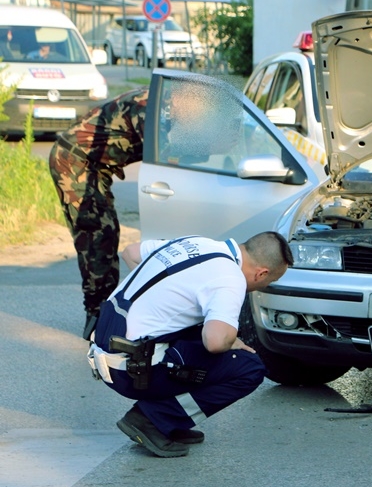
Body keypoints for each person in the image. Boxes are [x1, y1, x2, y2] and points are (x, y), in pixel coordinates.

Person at [87, 232, 292, 458]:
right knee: (248, 368)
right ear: (261, 272)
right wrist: (230, 338)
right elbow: (215, 343)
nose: (265, 286)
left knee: (199, 331)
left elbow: (131, 252)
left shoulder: (197, 242)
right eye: (269, 281)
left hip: (106, 352)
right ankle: (152, 419)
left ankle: (167, 421)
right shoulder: (230, 278)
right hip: (130, 370)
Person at [48, 87, 149, 340]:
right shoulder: (148, 105)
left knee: (107, 233)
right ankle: (97, 322)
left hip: (94, 167)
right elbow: (162, 152)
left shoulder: (164, 101)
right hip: (75, 162)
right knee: (97, 240)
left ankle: (104, 314)